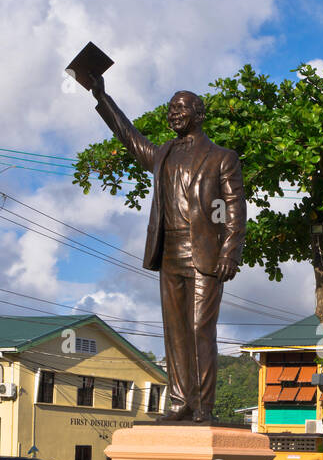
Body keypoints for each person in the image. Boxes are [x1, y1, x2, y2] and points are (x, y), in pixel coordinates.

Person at [90, 78, 245, 421]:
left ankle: (203, 405)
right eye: (171, 108)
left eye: (180, 108)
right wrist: (102, 96)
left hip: (205, 255)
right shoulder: (163, 153)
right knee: (175, 332)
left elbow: (233, 209)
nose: (173, 113)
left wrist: (229, 253)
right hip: (169, 253)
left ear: (198, 114)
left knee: (199, 329)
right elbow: (129, 136)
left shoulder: (222, 158)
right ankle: (180, 402)